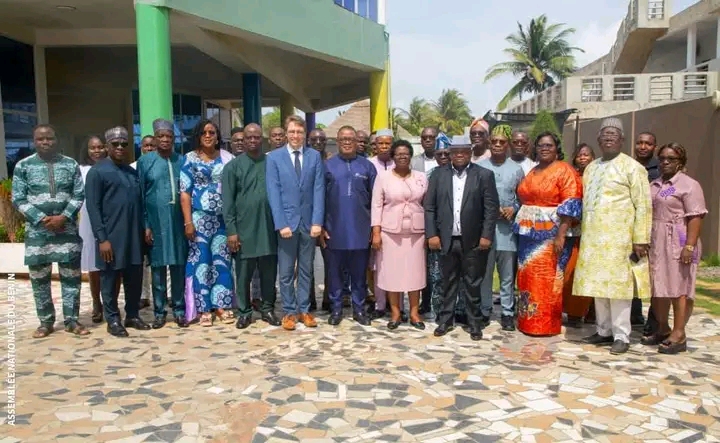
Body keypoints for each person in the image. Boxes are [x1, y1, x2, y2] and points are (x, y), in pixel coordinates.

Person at [574, 118, 652, 355]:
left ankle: (621, 335)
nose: (609, 137)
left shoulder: (632, 167)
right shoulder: (591, 168)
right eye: (605, 134)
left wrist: (641, 238)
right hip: (594, 239)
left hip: (620, 240)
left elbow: (643, 205)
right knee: (599, 286)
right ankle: (604, 330)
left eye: (613, 134)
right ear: (598, 139)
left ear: (622, 140)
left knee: (619, 290)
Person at [12, 124, 87, 338]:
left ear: (56, 140)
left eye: (49, 138)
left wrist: (64, 217)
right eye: (40, 139)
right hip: (38, 234)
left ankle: (71, 320)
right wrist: (41, 219)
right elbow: (18, 198)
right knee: (39, 281)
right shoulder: (23, 166)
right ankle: (45, 322)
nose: (45, 142)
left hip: (67, 231)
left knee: (71, 279)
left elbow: (78, 194)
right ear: (34, 141)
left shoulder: (70, 164)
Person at [425, 135, 499, 341]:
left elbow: (491, 209)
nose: (459, 155)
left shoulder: (484, 175)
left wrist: (486, 235)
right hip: (446, 239)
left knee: (472, 283)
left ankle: (474, 322)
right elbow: (429, 207)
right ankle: (445, 320)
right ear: (450, 154)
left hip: (473, 240)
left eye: (464, 151)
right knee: (447, 282)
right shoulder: (438, 175)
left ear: (470, 153)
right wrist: (432, 234)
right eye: (455, 151)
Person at [513, 132, 582, 337]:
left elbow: (571, 204)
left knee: (548, 279)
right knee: (528, 278)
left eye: (549, 145)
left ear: (556, 148)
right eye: (541, 145)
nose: (544, 148)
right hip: (528, 236)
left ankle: (545, 325)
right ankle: (527, 322)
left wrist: (561, 235)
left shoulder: (565, 170)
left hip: (552, 236)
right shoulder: (533, 171)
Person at [85, 126, 151, 337]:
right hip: (111, 237)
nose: (120, 147)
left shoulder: (131, 172)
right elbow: (93, 208)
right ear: (107, 146)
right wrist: (102, 239)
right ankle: (112, 319)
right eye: (115, 144)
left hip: (134, 236)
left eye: (124, 144)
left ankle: (132, 315)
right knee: (110, 278)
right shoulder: (97, 172)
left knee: (134, 277)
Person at [646, 142, 706, 354]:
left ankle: (679, 333)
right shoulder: (656, 184)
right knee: (658, 286)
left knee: (679, 287)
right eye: (662, 158)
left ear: (680, 162)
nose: (665, 162)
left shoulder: (689, 185)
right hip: (657, 239)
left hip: (679, 237)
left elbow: (696, 216)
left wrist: (689, 245)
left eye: (671, 159)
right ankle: (663, 328)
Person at [266, 115, 325, 331]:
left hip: (309, 223)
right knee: (286, 271)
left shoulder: (314, 156)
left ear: (305, 134)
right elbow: (273, 193)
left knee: (307, 269)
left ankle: (304, 310)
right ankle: (289, 311)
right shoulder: (274, 158)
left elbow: (319, 189)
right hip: (287, 224)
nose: (295, 135)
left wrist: (317, 221)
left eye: (299, 132)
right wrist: (281, 223)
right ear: (286, 133)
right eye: (292, 132)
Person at [223, 123, 281, 329]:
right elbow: (227, 202)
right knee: (243, 274)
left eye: (257, 137)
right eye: (249, 137)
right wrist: (232, 231)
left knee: (268, 272)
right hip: (243, 229)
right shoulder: (233, 167)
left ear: (262, 139)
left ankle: (267, 309)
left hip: (268, 227)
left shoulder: (272, 163)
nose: (253, 140)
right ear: (243, 140)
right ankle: (244, 312)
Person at [180, 120, 235, 327]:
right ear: (198, 136)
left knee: (222, 261)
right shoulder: (189, 159)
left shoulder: (227, 158)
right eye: (204, 132)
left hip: (222, 220)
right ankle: (203, 308)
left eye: (212, 132)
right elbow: (185, 193)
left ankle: (221, 304)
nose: (208, 135)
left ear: (217, 136)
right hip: (199, 219)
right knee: (201, 263)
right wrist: (188, 222)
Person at [322, 126, 376, 326]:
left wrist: (375, 228)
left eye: (350, 139)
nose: (346, 142)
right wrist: (321, 226)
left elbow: (376, 201)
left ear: (356, 142)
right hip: (333, 230)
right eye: (343, 139)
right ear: (337, 141)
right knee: (334, 274)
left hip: (361, 230)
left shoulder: (367, 167)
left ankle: (359, 309)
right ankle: (336, 309)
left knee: (359, 274)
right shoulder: (327, 166)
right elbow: (319, 198)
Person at [137, 119, 189, 329]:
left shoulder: (182, 160)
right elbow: (140, 195)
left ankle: (179, 310)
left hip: (178, 222)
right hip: (155, 222)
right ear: (155, 138)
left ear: (174, 139)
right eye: (161, 136)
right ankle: (159, 312)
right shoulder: (145, 162)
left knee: (178, 266)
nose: (165, 140)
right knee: (158, 269)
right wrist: (146, 225)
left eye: (169, 136)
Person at [371, 140, 428, 330]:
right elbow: (376, 205)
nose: (402, 157)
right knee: (392, 274)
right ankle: (395, 313)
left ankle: (414, 313)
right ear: (393, 157)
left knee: (415, 274)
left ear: (411, 156)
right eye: (398, 154)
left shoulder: (421, 177)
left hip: (416, 234)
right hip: (390, 233)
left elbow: (427, 204)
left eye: (406, 154)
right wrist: (376, 232)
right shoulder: (383, 177)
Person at [477, 124, 524, 331]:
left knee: (506, 275)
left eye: (501, 142)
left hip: (507, 230)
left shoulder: (516, 169)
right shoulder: (480, 167)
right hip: (485, 230)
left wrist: (514, 208)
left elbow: (523, 198)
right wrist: (488, 209)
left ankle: (507, 312)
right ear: (489, 143)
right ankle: (485, 309)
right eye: (494, 141)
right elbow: (472, 197)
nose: (497, 145)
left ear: (508, 145)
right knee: (485, 273)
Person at [78, 135, 112, 323]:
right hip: (89, 222)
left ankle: (110, 303)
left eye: (100, 147)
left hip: (110, 220)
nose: (97, 151)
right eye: (93, 148)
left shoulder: (111, 168)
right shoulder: (81, 171)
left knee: (111, 263)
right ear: (87, 150)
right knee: (94, 265)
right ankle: (96, 303)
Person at [564, 142, 597, 327]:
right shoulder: (571, 176)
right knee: (572, 272)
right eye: (580, 155)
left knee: (591, 273)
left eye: (586, 154)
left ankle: (589, 311)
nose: (583, 158)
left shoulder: (599, 177)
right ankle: (573, 313)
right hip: (574, 232)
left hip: (594, 231)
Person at [634, 131, 660, 334]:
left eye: (648, 144)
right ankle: (634, 314)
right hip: (632, 228)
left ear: (654, 147)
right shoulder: (628, 166)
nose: (643, 147)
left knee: (655, 276)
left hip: (656, 229)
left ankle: (655, 320)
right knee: (632, 271)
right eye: (640, 143)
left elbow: (666, 194)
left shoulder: (661, 169)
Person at [131, 135, 156, 310]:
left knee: (160, 258)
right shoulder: (133, 167)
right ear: (141, 147)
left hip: (158, 218)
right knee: (143, 260)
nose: (149, 149)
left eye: (152, 146)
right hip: (139, 219)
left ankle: (168, 294)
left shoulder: (161, 163)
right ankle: (143, 295)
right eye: (146, 146)